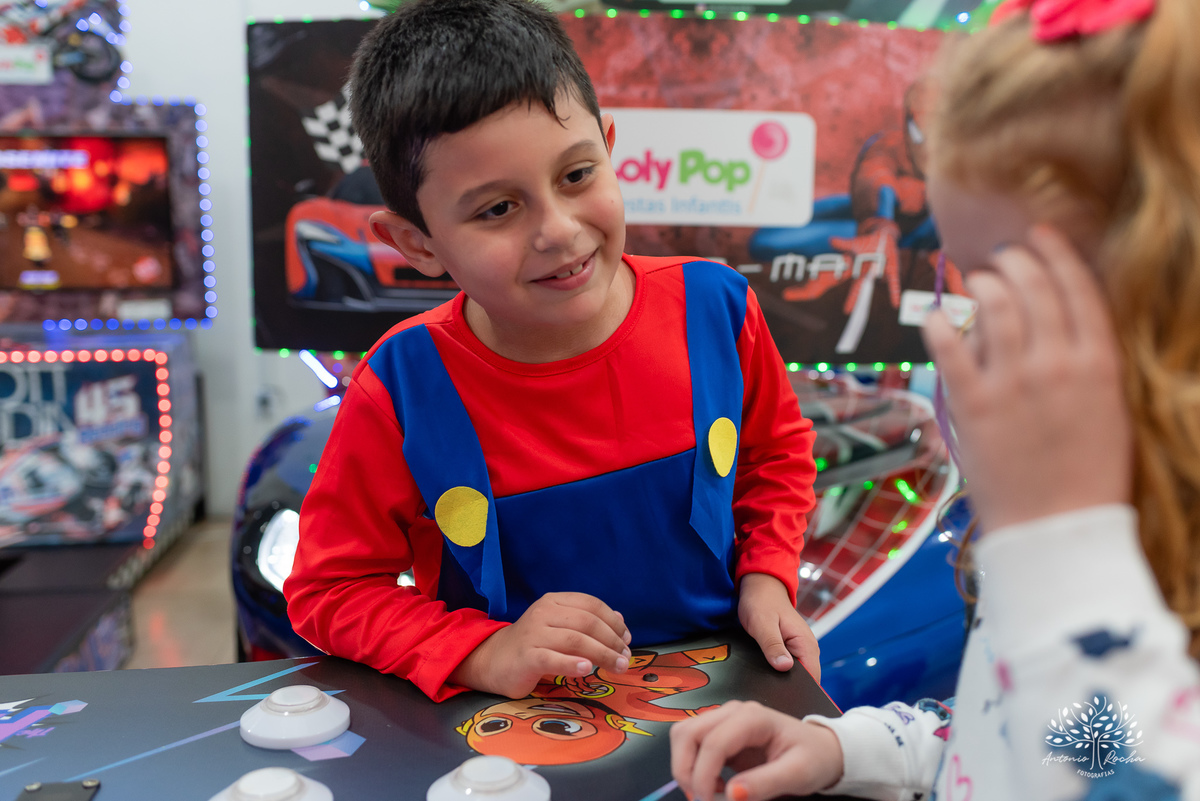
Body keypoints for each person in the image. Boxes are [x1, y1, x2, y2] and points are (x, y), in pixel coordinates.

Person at [669, 0, 1200, 798]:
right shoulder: (1086, 522)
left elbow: (1125, 776)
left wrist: (1062, 547)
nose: (970, 341)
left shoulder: (1079, 547)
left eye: (1012, 292)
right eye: (965, 287)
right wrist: (845, 748)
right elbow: (1021, 731)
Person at [283, 0, 819, 704]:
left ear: (608, 145)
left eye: (576, 176)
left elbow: (775, 454)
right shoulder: (403, 383)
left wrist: (767, 575)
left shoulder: (716, 308)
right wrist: (481, 649)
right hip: (511, 739)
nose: (560, 232)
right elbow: (330, 589)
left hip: (722, 707)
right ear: (417, 243)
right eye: (497, 209)